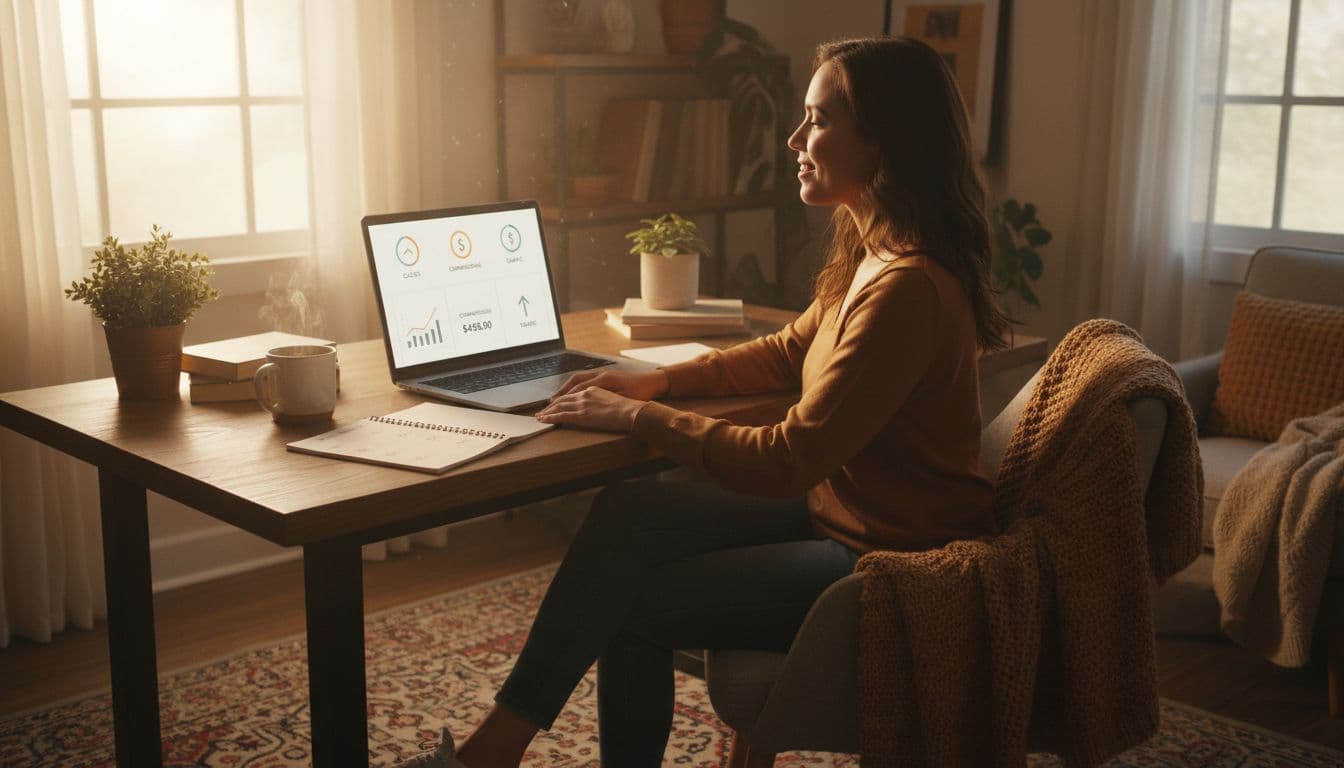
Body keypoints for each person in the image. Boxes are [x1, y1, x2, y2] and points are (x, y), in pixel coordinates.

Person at [403, 35, 1010, 768]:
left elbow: (789, 458)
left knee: (639, 609)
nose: (794, 138)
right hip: (840, 511)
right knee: (631, 510)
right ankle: (492, 751)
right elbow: (789, 350)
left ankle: (488, 756)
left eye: (817, 120)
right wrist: (657, 381)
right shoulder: (874, 253)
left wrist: (639, 416)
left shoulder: (907, 287)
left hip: (885, 559)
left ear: (882, 141)